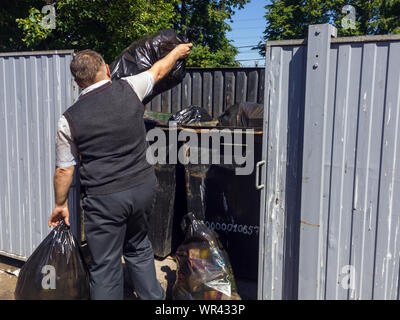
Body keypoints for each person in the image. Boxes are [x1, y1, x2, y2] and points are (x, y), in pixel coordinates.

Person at [48, 43, 193, 300]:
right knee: (138, 246)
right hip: (143, 188)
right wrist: (178, 52)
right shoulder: (130, 87)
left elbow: (64, 170)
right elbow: (159, 70)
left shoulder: (68, 119)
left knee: (105, 265)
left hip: (105, 199)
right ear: (106, 69)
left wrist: (61, 205)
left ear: (78, 83)